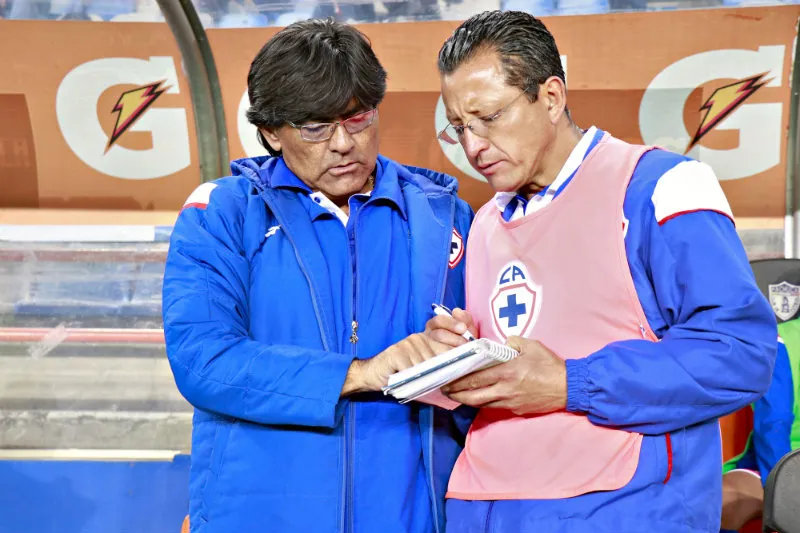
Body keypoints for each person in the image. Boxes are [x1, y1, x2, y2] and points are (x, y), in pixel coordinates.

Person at [424, 10, 778, 533]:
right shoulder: (483, 226)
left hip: (620, 509)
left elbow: (740, 355)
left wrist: (572, 383)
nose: (474, 145)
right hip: (482, 508)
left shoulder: (660, 186)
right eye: (459, 128)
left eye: (490, 117)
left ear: (550, 97)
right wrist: (454, 363)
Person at [162, 18, 474, 533]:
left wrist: (459, 348)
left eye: (357, 119)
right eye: (314, 128)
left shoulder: (444, 216)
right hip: (263, 513)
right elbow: (204, 360)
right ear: (270, 131)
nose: (343, 143)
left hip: (412, 514)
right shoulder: (223, 213)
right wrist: (361, 373)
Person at [721, 329, 798, 531]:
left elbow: (774, 424)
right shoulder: (782, 340)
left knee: (720, 503)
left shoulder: (780, 339)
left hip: (779, 464)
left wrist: (784, 489)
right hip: (778, 464)